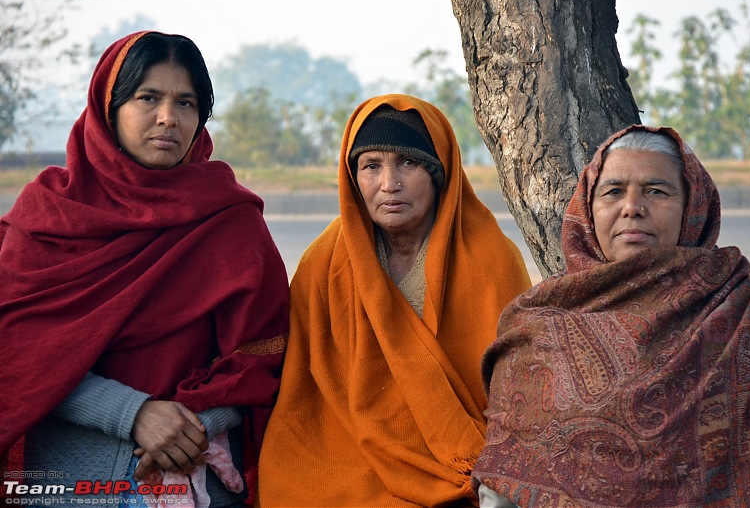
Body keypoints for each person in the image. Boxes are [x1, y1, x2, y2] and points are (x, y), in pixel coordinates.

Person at [0, 31, 289, 506]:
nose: (167, 119)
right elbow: (19, 355)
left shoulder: (229, 220)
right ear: (107, 106)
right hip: (67, 484)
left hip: (197, 476)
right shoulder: (48, 214)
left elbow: (264, 359)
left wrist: (191, 426)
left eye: (186, 103)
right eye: (147, 97)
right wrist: (132, 414)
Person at [472, 125, 750, 507]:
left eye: (656, 191)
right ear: (588, 208)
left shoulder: (749, 309)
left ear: (693, 206)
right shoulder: (537, 322)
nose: (632, 207)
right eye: (613, 191)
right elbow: (503, 484)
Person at [256, 94, 531, 506]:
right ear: (353, 176)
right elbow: (303, 388)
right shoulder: (324, 263)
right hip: (342, 456)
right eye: (371, 166)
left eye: (409, 162)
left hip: (459, 462)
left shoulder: (491, 259)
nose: (390, 184)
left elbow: (519, 388)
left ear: (439, 173)